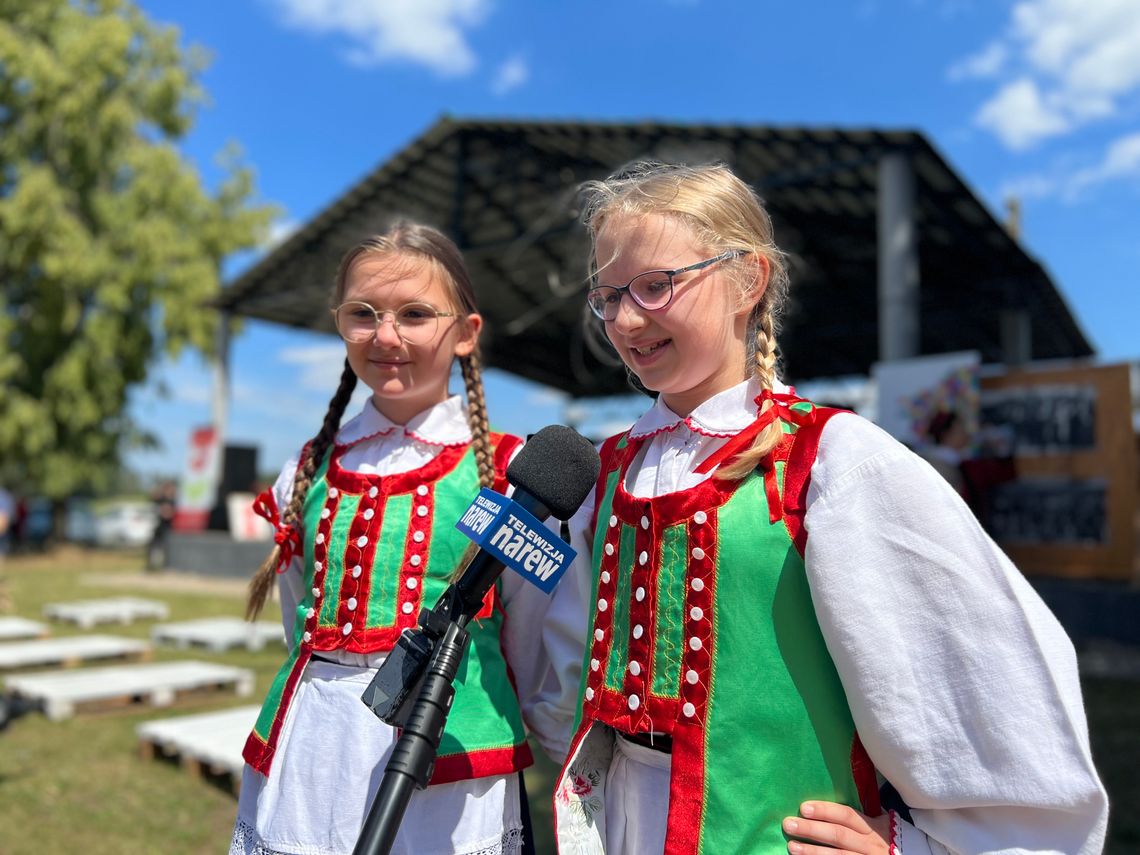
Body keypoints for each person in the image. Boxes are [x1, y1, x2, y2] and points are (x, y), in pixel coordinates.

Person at [551, 161, 1107, 854]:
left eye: (658, 285)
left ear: (747, 280)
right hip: (618, 825)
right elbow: (565, 660)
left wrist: (918, 845)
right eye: (608, 296)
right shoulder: (607, 470)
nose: (627, 319)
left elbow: (982, 676)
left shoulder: (833, 458)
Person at [230, 223, 581, 855]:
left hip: (448, 749)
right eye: (363, 314)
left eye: (415, 314)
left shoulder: (508, 472)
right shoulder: (307, 469)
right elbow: (299, 617)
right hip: (315, 746)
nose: (386, 335)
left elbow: (526, 642)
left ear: (467, 334)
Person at [146, 480, 178, 571]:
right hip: (159, 526)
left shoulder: (173, 501)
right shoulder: (161, 499)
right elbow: (152, 497)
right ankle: (150, 565)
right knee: (153, 545)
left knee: (166, 546)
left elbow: (169, 514)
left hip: (168, 528)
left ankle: (166, 566)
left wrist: (165, 511)